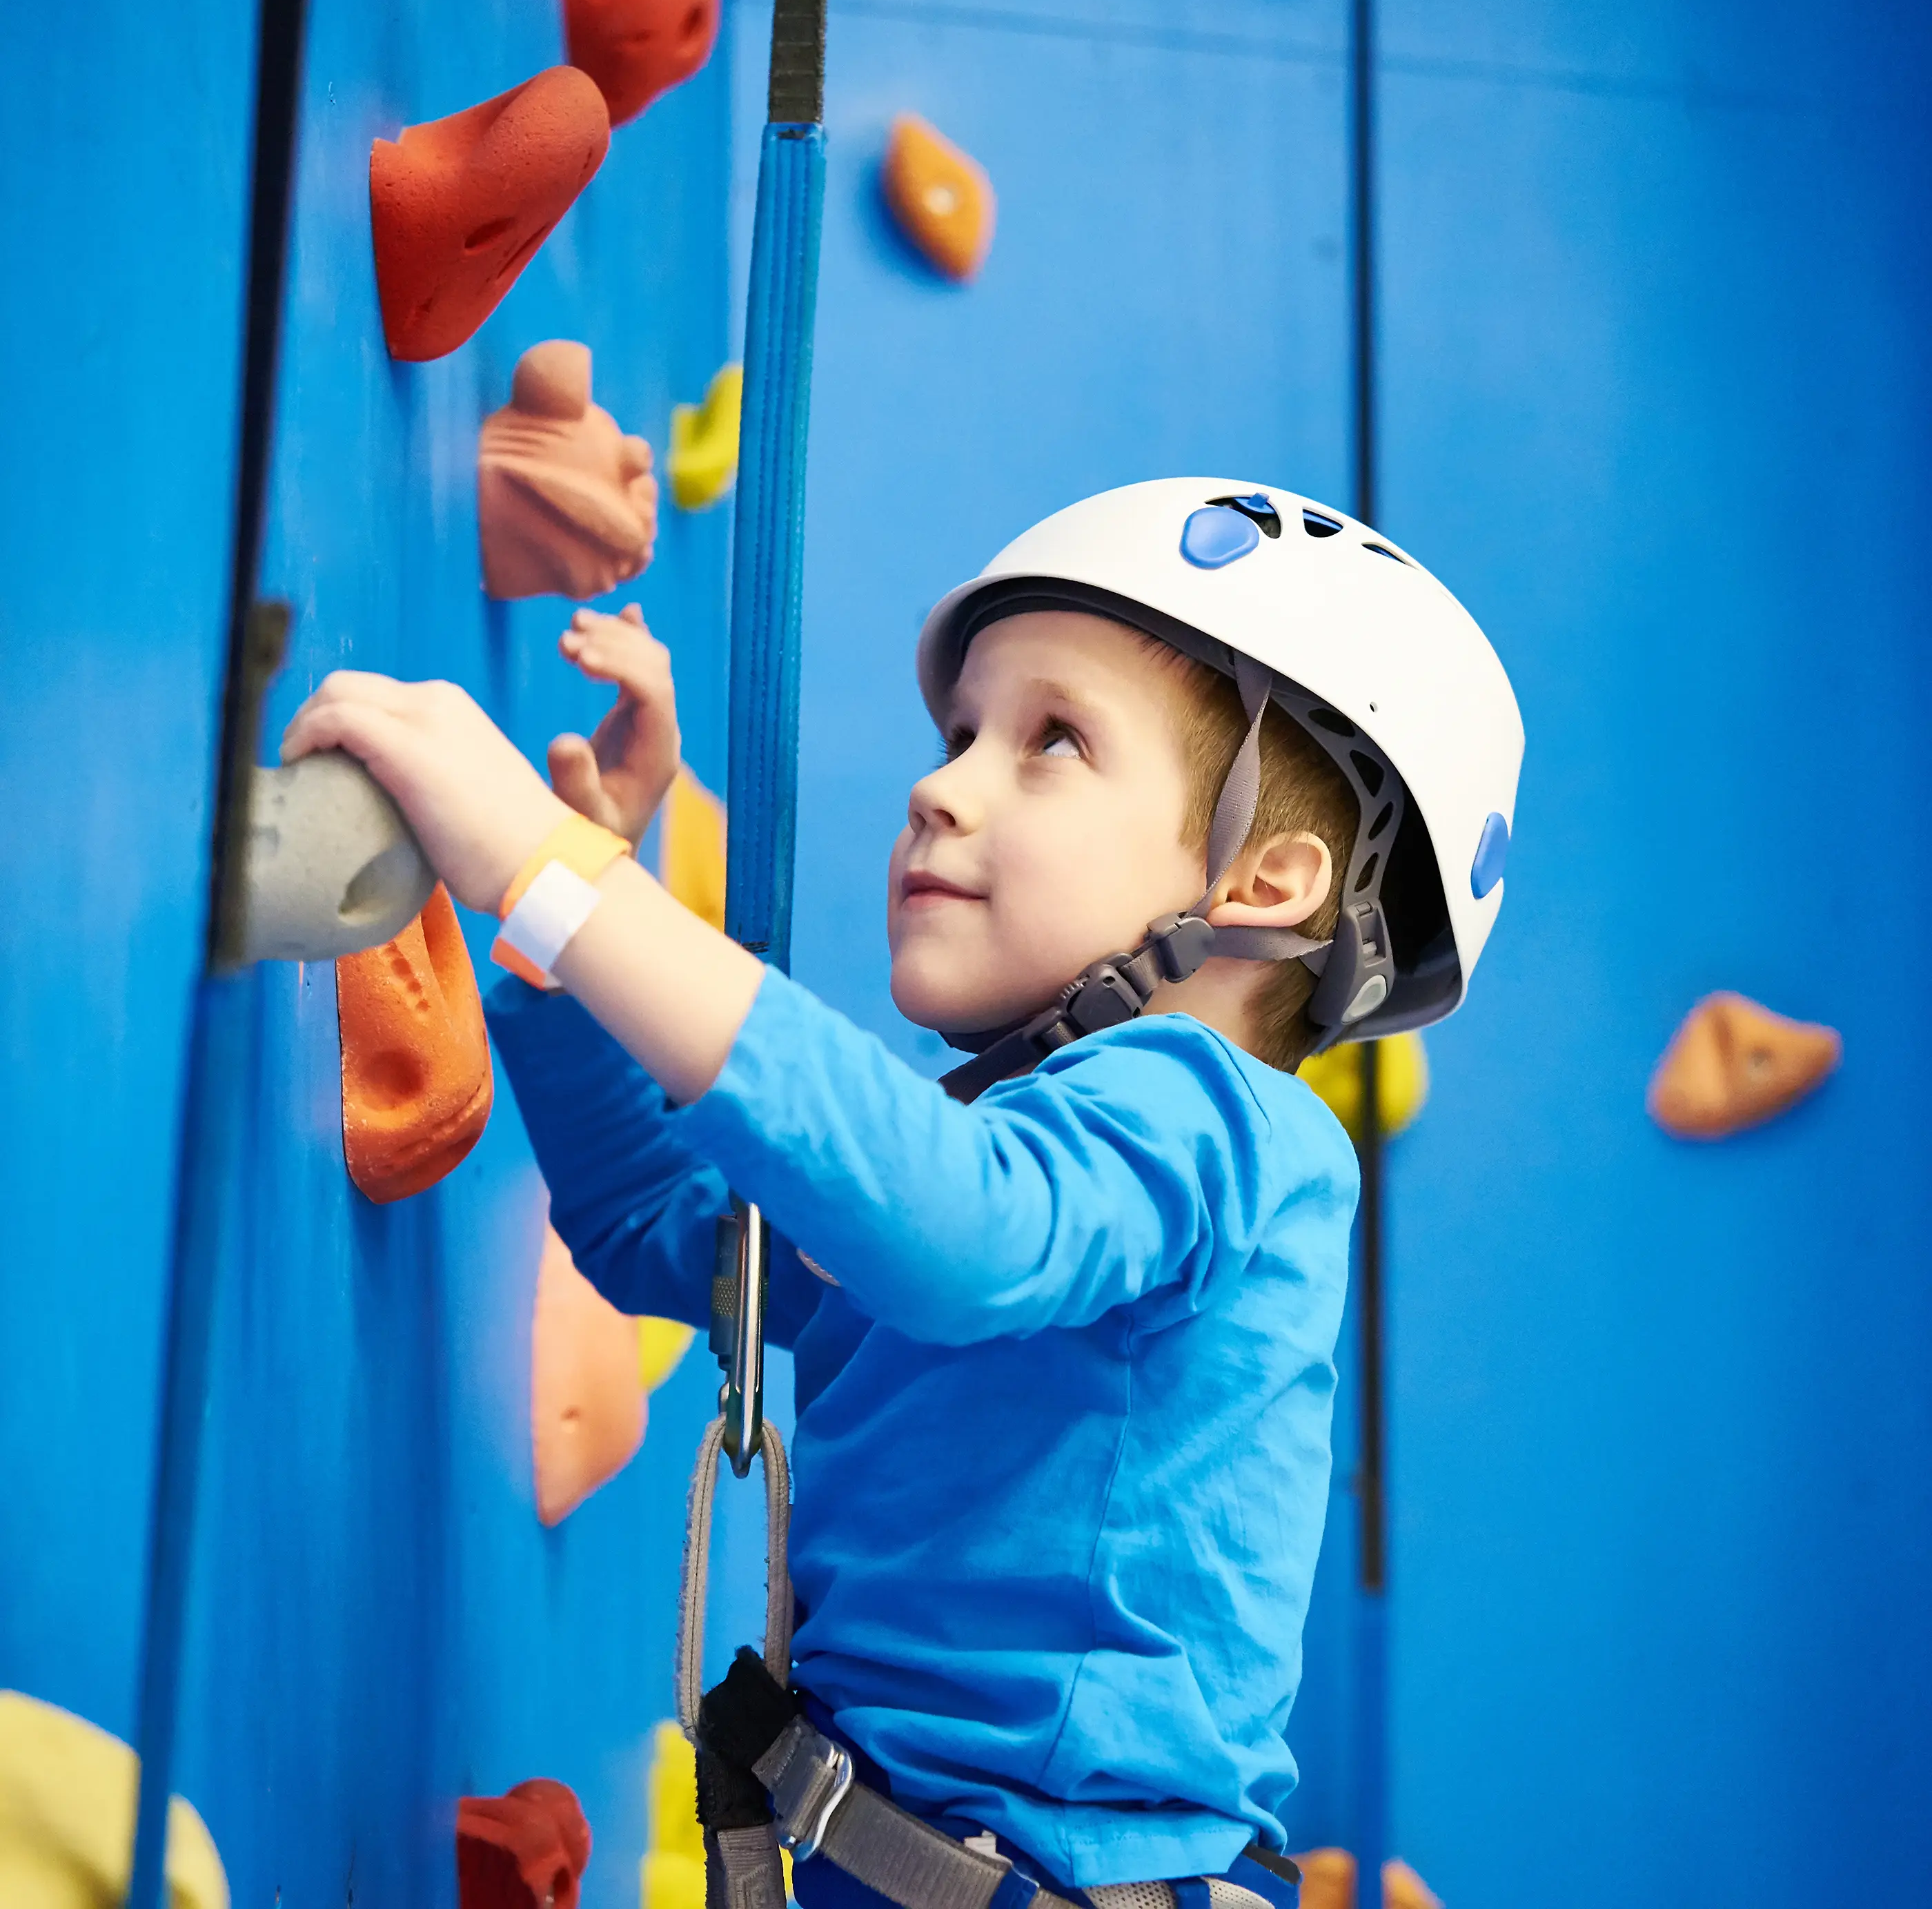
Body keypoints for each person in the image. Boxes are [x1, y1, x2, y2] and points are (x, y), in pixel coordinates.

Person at [282, 480, 1524, 1909]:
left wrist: (554, 871)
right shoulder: (1007, 1165)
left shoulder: (1220, 1127)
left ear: (1264, 877)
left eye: (1051, 738)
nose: (943, 784)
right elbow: (662, 1231)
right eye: (959, 734)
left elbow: (958, 1230)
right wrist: (559, 943)